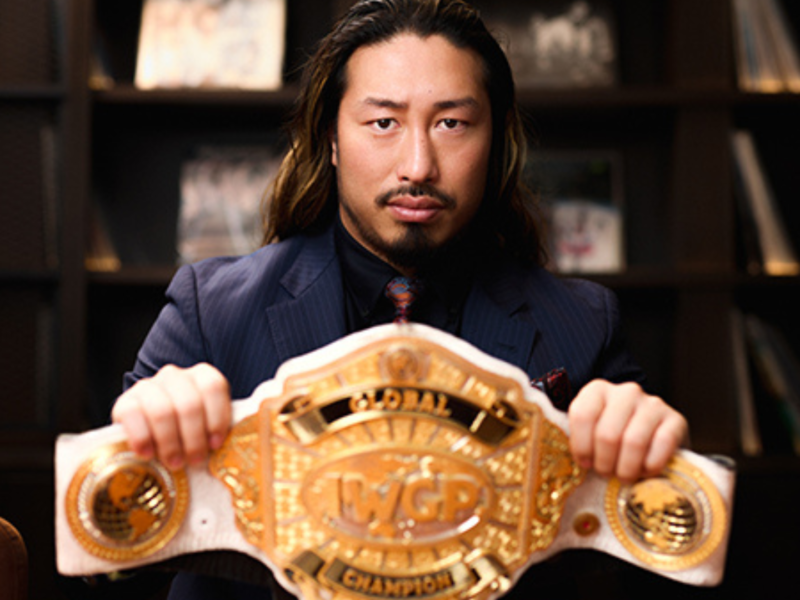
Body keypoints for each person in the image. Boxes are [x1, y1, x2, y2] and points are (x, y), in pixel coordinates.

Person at [109, 1, 687, 597]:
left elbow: (661, 559)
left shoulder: (584, 322)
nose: (418, 166)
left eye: (452, 124)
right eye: (383, 123)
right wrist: (144, 449)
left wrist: (653, 468)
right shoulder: (213, 308)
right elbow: (108, 553)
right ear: (331, 139)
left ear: (496, 143)